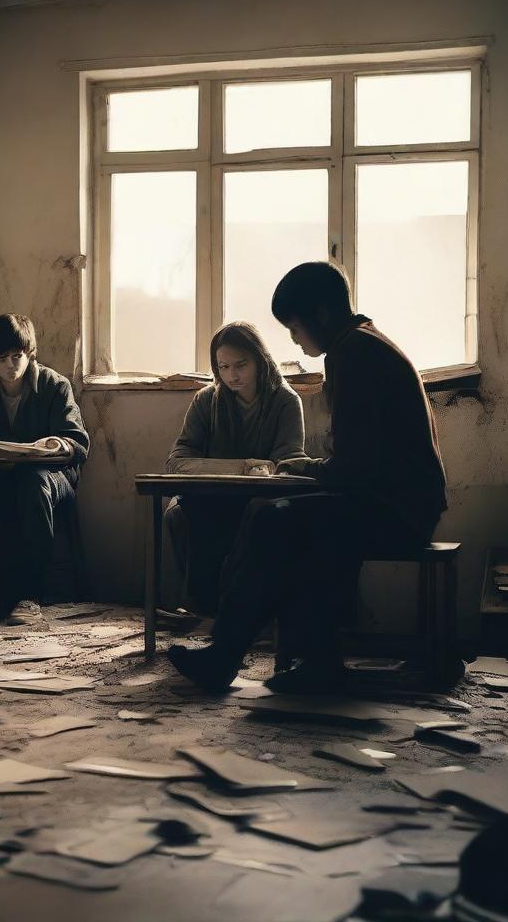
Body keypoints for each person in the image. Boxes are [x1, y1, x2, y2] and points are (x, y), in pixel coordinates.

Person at [168, 262, 447, 694]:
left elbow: (353, 471)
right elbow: (358, 464)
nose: (294, 339)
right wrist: (315, 469)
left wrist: (307, 467)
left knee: (273, 518)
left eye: (295, 328)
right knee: (282, 518)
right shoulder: (362, 343)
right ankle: (307, 658)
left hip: (400, 511)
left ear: (321, 315)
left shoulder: (353, 354)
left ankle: (229, 653)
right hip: (397, 501)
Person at [0, 314, 90, 625]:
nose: (10, 365)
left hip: (51, 479)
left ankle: (30, 595)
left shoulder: (54, 385)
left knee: (33, 483)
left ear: (29, 352)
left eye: (17, 356)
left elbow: (78, 443)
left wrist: (56, 445)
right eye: (1, 358)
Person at [164, 321, 305, 615]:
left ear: (260, 360)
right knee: (184, 510)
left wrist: (264, 472)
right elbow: (177, 462)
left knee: (258, 514)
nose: (232, 375)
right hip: (210, 495)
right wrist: (246, 467)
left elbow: (287, 468)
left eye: (240, 365)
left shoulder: (286, 401)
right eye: (223, 367)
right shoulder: (206, 400)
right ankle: (204, 609)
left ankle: (230, 612)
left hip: (259, 498)